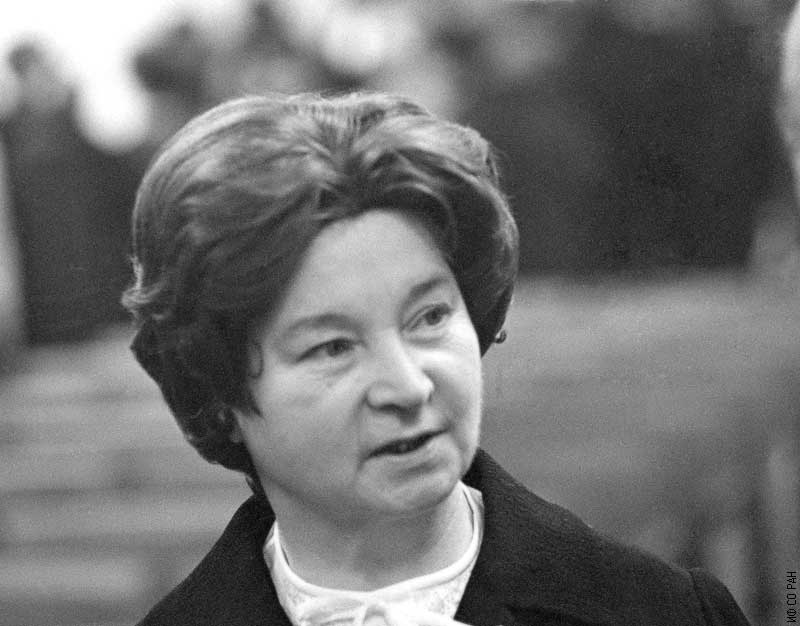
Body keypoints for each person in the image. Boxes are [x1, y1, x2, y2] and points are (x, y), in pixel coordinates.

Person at [123, 92, 750, 626]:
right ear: (219, 395)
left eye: (428, 318)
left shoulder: (663, 611)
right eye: (333, 347)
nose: (408, 386)